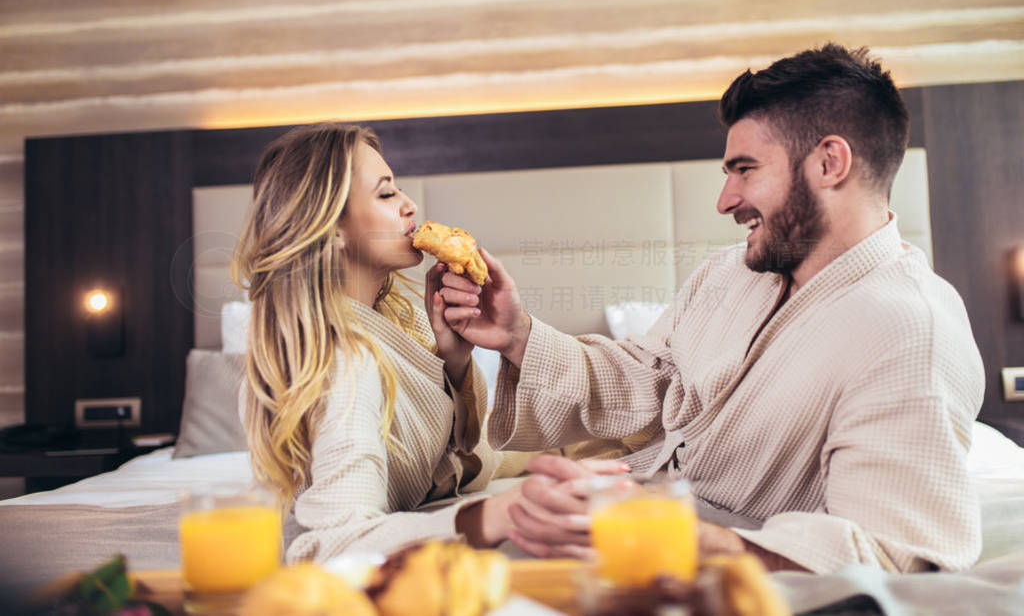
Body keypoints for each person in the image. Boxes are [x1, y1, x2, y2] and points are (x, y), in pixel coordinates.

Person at [435, 44, 985, 574]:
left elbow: (890, 553)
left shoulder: (910, 333)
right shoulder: (727, 274)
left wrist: (678, 535)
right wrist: (519, 335)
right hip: (631, 526)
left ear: (829, 162)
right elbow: (650, 378)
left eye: (744, 169)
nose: (724, 201)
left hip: (735, 570)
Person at [231, 122, 547, 563]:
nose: (409, 205)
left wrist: (452, 363)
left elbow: (452, 452)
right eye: (385, 194)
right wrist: (494, 515)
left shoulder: (397, 316)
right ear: (332, 229)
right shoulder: (342, 360)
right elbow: (338, 541)